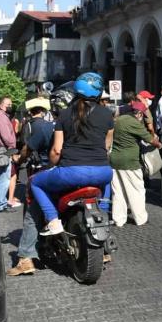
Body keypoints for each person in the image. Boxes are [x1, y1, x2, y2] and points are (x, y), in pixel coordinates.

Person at [30, 73, 115, 236]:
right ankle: (103, 214)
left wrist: (51, 166)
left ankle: (53, 221)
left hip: (71, 172)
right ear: (99, 92)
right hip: (102, 171)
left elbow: (56, 151)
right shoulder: (107, 115)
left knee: (35, 183)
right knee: (106, 181)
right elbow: (107, 146)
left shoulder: (65, 114)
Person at [8, 98, 56, 277]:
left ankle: (26, 258)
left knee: (31, 212)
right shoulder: (55, 125)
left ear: (31, 111)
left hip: (40, 170)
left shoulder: (32, 126)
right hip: (65, 169)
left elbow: (26, 148)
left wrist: (19, 159)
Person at [110, 101, 162, 227]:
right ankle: (140, 218)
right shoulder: (133, 123)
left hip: (114, 159)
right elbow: (150, 139)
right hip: (129, 161)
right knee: (136, 190)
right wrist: (159, 144)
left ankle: (119, 219)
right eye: (143, 115)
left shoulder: (117, 120)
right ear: (138, 113)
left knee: (118, 191)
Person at [0, 96, 17, 212]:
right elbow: (6, 137)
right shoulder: (2, 118)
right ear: (1, 105)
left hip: (1, 150)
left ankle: (1, 203)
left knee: (2, 178)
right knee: (3, 179)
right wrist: (12, 148)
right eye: (8, 105)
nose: (10, 107)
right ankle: (1, 205)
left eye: (11, 104)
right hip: (4, 151)